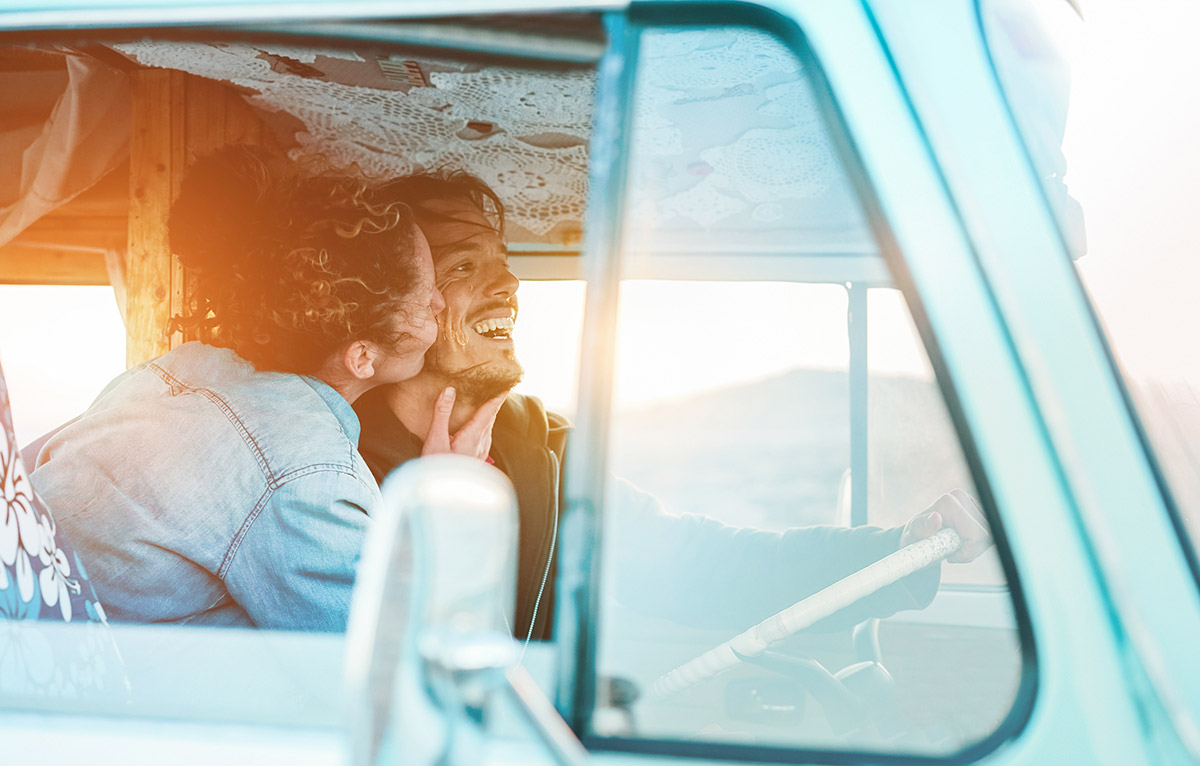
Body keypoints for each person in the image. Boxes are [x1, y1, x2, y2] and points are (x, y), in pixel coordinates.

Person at [354, 171, 992, 642]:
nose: (510, 283)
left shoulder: (545, 453)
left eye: (504, 258)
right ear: (399, 304)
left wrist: (896, 552)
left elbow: (705, 567)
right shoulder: (338, 464)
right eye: (465, 264)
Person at [30, 147, 504, 631]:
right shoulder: (306, 476)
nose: (441, 303)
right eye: (427, 298)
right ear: (362, 357)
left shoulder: (177, 369)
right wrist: (445, 507)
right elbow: (392, 664)